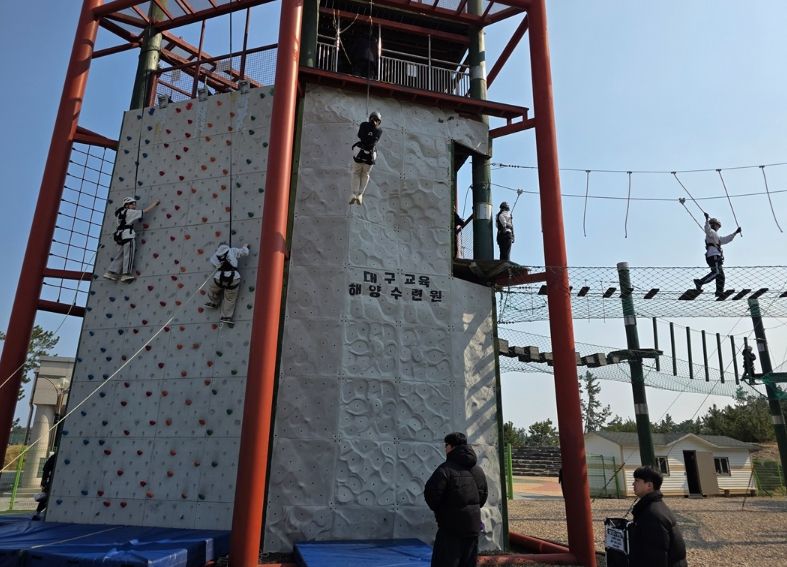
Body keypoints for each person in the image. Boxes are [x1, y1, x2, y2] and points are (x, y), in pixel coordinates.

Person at [424, 432, 488, 567]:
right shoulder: (478, 471)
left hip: (450, 529)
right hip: (473, 528)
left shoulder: (445, 469)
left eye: (446, 445)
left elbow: (431, 496)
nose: (445, 448)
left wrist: (442, 512)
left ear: (451, 447)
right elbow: (482, 498)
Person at [628, 466, 688, 567]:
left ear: (649, 485)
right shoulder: (653, 507)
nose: (633, 484)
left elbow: (656, 557)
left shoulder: (652, 515)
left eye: (637, 481)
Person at [103, 196, 160, 282]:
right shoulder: (130, 212)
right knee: (128, 255)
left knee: (120, 255)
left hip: (119, 236)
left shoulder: (119, 213)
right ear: (126, 205)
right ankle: (126, 274)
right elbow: (144, 211)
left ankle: (111, 272)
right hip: (128, 236)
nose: (134, 206)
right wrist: (155, 203)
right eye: (132, 204)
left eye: (134, 204)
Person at [693, 212, 741, 297]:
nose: (718, 227)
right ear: (713, 225)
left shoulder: (716, 236)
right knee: (716, 273)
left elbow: (726, 239)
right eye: (717, 225)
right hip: (713, 256)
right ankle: (700, 282)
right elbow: (707, 229)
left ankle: (719, 291)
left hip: (715, 257)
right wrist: (706, 220)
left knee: (721, 275)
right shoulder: (711, 232)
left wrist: (735, 233)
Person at [205, 242, 250, 327]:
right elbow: (245, 252)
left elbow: (214, 264)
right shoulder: (232, 250)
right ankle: (226, 316)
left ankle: (214, 302)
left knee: (212, 289)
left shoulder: (215, 256)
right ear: (227, 246)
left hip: (219, 278)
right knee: (230, 298)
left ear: (218, 248)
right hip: (233, 278)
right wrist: (245, 246)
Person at [349, 111, 383, 205]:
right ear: (379, 121)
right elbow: (374, 142)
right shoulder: (379, 130)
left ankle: (354, 193)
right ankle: (360, 195)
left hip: (360, 152)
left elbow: (360, 136)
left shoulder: (364, 125)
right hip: (370, 155)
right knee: (365, 174)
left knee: (356, 173)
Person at [32, 453, 56, 521]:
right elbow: (46, 468)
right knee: (46, 497)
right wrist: (44, 479)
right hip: (53, 480)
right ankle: (38, 513)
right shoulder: (55, 456)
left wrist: (44, 479)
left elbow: (46, 468)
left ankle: (38, 513)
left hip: (52, 480)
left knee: (46, 496)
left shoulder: (55, 456)